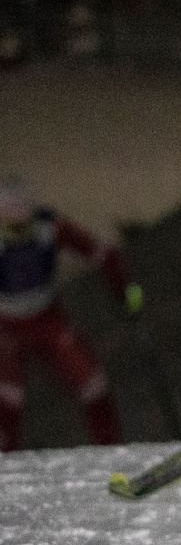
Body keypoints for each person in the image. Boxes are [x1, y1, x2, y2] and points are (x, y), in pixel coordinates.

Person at [0, 179, 140, 451]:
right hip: (6, 326)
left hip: (47, 318)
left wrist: (126, 293)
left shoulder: (48, 226)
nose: (17, 232)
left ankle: (111, 452)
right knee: (8, 398)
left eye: (22, 221)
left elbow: (101, 253)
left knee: (93, 386)